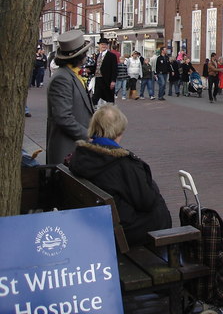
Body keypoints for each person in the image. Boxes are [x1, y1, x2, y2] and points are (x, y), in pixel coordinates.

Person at [69, 105, 171, 246]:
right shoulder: (123, 164)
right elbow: (147, 201)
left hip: (95, 221)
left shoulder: (80, 156)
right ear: (119, 131)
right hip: (121, 231)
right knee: (159, 209)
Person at [46, 30, 94, 165]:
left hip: (77, 148)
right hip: (67, 147)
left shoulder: (72, 74)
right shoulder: (62, 78)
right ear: (81, 56)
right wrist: (87, 136)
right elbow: (63, 117)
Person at [92, 37, 117, 105]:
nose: (104, 46)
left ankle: (111, 112)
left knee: (109, 98)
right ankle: (94, 111)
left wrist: (113, 80)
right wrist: (88, 70)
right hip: (98, 79)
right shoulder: (97, 55)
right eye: (102, 44)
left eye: (105, 44)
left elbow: (114, 69)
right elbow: (96, 67)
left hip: (107, 80)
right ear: (99, 45)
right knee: (95, 97)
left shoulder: (111, 56)